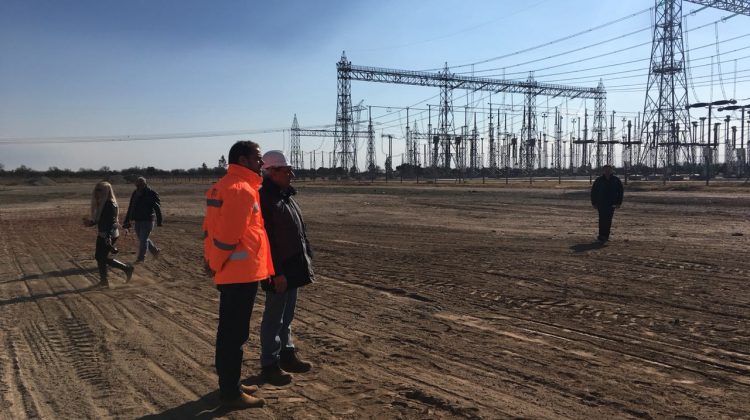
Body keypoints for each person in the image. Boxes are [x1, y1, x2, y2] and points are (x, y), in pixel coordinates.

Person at [203, 140, 274, 410]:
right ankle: (231, 393)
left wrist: (213, 262)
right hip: (237, 274)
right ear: (243, 160)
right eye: (257, 157)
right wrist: (216, 264)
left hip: (233, 272)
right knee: (234, 335)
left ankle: (229, 384)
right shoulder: (240, 190)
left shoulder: (229, 184)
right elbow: (226, 236)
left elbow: (212, 230)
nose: (261, 162)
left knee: (229, 333)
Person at [258, 151, 315, 386]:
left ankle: (287, 355)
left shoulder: (285, 196)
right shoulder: (265, 199)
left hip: (293, 265)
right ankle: (269, 363)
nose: (291, 174)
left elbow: (298, 232)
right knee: (274, 317)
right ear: (271, 172)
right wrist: (275, 272)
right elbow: (266, 240)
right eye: (286, 170)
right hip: (278, 269)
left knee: (287, 316)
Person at [83, 181, 134, 286]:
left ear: (106, 191)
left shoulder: (110, 204)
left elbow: (111, 222)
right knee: (99, 257)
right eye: (96, 189)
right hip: (104, 233)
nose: (96, 192)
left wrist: (108, 237)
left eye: (99, 190)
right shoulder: (103, 202)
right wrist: (91, 223)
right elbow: (101, 220)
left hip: (109, 234)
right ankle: (104, 280)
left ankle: (126, 268)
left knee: (101, 257)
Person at [122, 177, 162, 262]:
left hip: (148, 220)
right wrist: (127, 220)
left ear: (144, 184)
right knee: (143, 239)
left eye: (141, 184)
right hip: (138, 220)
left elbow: (158, 207)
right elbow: (131, 207)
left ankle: (141, 258)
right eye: (137, 184)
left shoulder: (151, 193)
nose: (139, 186)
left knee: (143, 240)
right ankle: (155, 251)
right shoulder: (135, 193)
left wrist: (159, 221)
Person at [590, 164, 624, 243]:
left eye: (609, 170)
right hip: (601, 203)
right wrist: (594, 202)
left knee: (608, 220)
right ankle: (601, 236)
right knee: (602, 219)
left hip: (611, 204)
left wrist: (619, 202)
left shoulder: (616, 180)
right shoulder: (599, 180)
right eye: (606, 170)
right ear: (603, 171)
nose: (607, 171)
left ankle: (606, 236)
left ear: (612, 171)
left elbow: (620, 192)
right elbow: (593, 192)